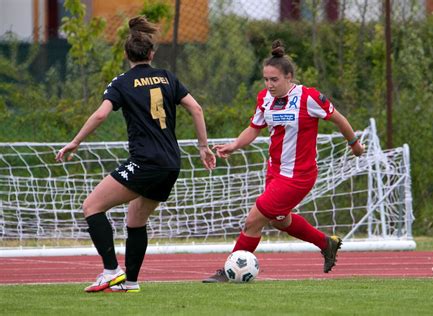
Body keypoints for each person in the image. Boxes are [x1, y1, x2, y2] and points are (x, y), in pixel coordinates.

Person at [55, 16, 215, 292]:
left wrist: (75, 141)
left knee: (91, 207)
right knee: (135, 219)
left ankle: (110, 270)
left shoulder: (121, 82)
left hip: (145, 162)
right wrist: (203, 146)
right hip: (170, 163)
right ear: (151, 54)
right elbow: (197, 109)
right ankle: (130, 282)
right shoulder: (167, 76)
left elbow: (101, 114)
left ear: (126, 54)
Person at [203, 40, 364, 283]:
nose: (269, 85)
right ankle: (326, 243)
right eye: (266, 79)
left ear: (289, 77)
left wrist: (355, 144)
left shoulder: (309, 97)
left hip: (298, 176)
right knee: (281, 221)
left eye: (274, 80)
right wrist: (234, 145)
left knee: (252, 221)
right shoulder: (264, 99)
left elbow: (339, 119)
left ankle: (228, 271)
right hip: (275, 173)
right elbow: (254, 128)